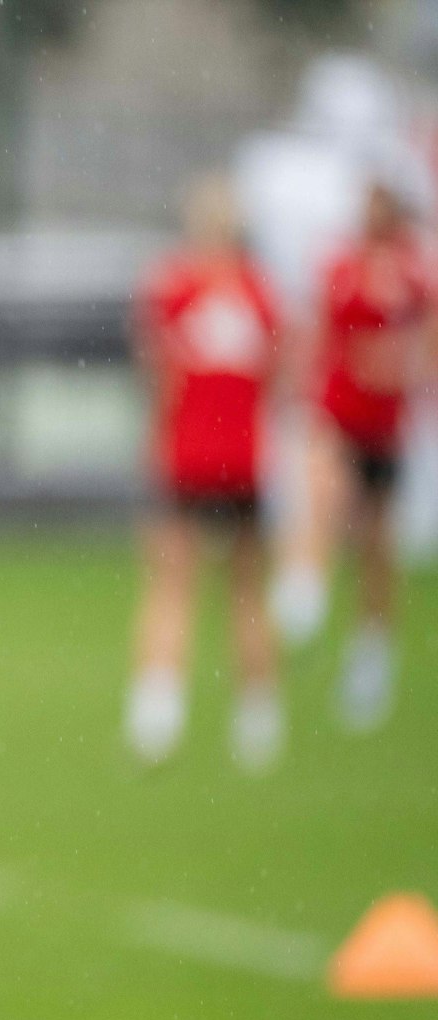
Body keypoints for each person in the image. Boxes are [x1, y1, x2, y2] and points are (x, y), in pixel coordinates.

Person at [124, 176, 286, 770]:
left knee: (170, 586)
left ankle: (156, 713)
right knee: (246, 590)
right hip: (242, 462)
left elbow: (156, 376)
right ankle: (258, 718)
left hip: (186, 460)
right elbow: (279, 376)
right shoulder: (260, 292)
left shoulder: (173, 287)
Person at [273, 178, 432, 730]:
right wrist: (300, 384)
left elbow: (427, 350)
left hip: (385, 427)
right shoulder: (341, 267)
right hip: (337, 411)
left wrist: (403, 369)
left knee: (377, 546)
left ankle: (372, 651)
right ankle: (305, 585)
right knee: (325, 492)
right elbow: (316, 332)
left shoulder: (418, 273)